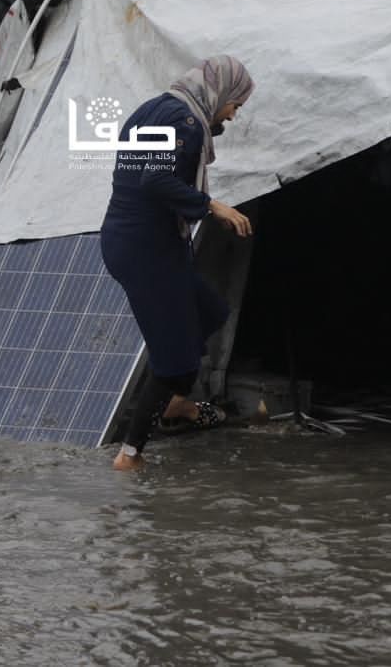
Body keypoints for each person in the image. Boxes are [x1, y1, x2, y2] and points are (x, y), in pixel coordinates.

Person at [100, 55, 255, 472]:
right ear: (219, 93)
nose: (232, 115)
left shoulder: (154, 108)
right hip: (146, 249)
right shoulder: (184, 122)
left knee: (209, 312)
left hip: (139, 241)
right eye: (235, 105)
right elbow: (154, 178)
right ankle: (130, 455)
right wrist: (214, 206)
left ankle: (174, 404)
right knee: (174, 362)